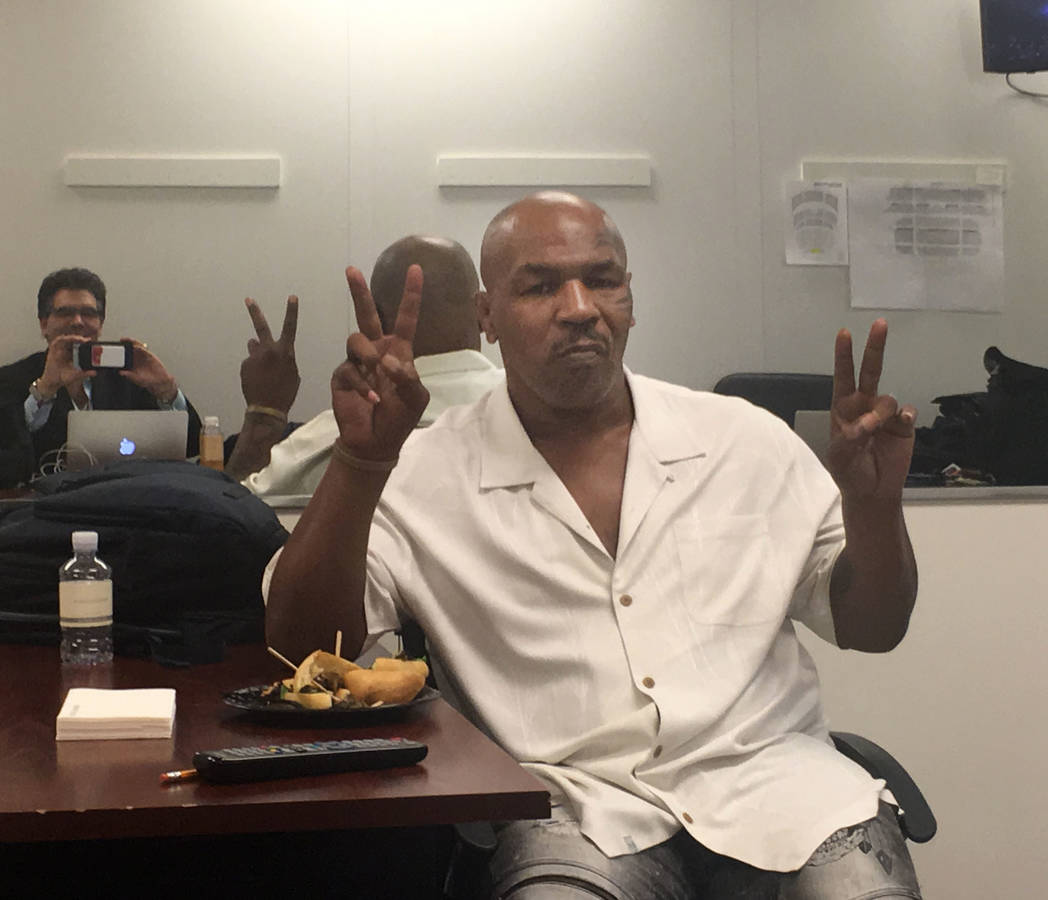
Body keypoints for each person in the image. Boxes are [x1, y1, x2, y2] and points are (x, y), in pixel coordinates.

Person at [265, 191, 922, 898]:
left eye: (602, 279)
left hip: (784, 794)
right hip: (573, 810)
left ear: (630, 297)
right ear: (486, 319)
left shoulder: (743, 440)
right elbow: (303, 643)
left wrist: (874, 507)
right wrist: (362, 464)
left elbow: (873, 628)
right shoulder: (425, 472)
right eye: (540, 285)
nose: (579, 306)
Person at [225, 235, 505, 503]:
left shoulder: (331, 443)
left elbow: (232, 512)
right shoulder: (533, 413)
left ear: (377, 320)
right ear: (484, 312)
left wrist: (265, 412)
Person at [0, 267, 202, 466]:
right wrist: (44, 390)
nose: (78, 322)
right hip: (48, 498)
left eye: (89, 313)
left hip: (124, 494)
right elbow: (9, 448)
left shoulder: (127, 376)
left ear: (100, 324)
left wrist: (166, 390)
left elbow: (192, 445)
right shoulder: (11, 378)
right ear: (44, 324)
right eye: (65, 313)